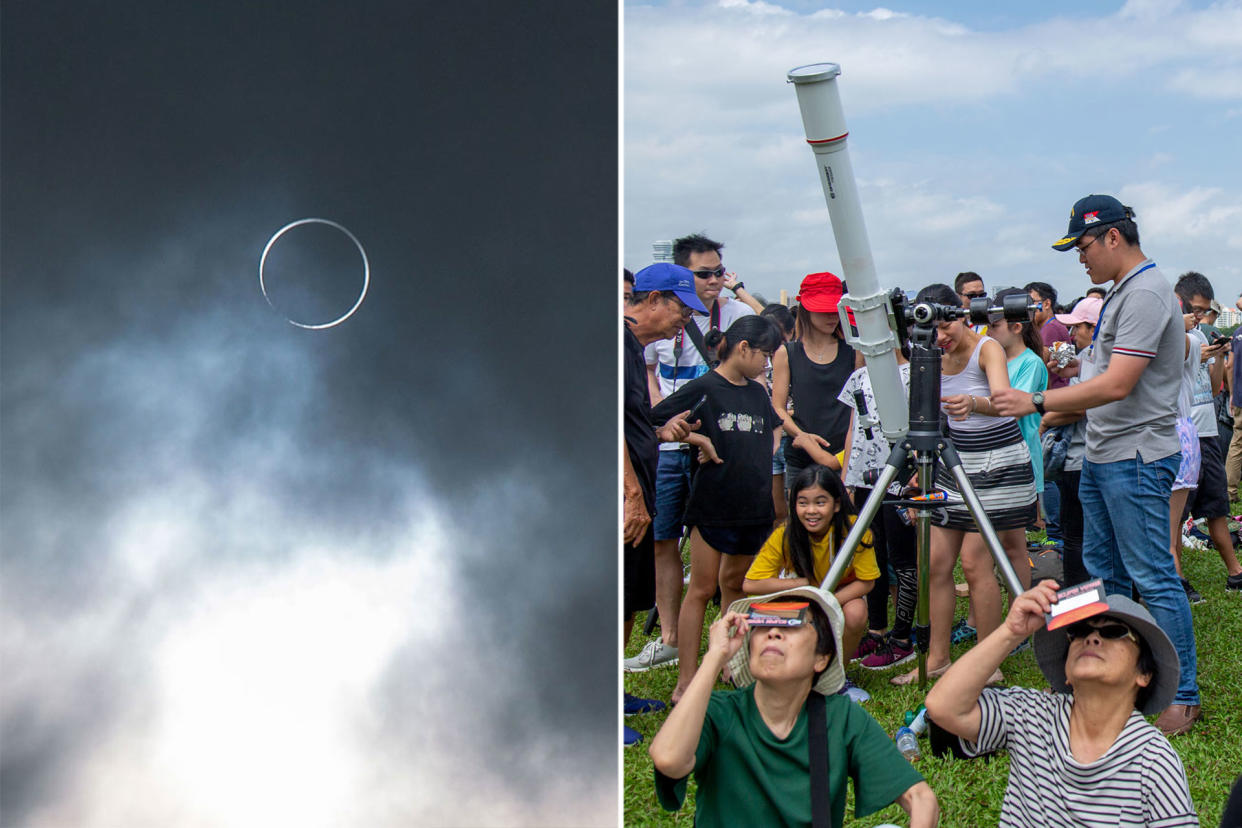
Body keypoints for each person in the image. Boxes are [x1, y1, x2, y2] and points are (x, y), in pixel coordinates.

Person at [992, 194, 1201, 735]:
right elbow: (1098, 377)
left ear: (1112, 236)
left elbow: (1117, 384)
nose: (1079, 259)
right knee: (1106, 576)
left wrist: (1037, 402)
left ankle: (1182, 695)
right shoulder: (1121, 294)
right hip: (1105, 454)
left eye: (1082, 246)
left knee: (1153, 576)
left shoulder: (1149, 292)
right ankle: (1113, 675)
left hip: (1135, 456)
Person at [649, 586, 938, 828]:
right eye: (763, 623)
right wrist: (714, 657)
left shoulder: (840, 717)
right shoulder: (718, 711)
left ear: (821, 659)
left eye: (793, 622)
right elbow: (668, 759)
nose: (774, 632)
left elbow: (921, 798)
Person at [925, 581, 1198, 827]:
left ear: (1144, 674)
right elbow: (942, 706)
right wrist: (1010, 632)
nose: (1092, 638)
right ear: (1066, 673)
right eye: (1079, 632)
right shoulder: (1031, 714)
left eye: (1114, 632)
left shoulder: (1153, 760)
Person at [891, 283, 1036, 687]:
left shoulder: (986, 348)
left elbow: (1005, 399)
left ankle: (987, 663)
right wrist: (924, 463)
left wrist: (975, 404)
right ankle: (937, 657)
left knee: (975, 565)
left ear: (959, 315)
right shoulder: (930, 353)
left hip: (995, 462)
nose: (939, 337)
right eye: (931, 330)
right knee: (935, 562)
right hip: (951, 463)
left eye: (945, 327)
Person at [629, 233, 756, 674]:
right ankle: (668, 638)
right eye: (705, 274)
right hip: (661, 449)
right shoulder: (640, 337)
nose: (716, 280)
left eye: (721, 272)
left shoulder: (735, 314)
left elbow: (767, 346)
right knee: (661, 536)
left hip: (714, 444)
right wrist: (650, 423)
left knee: (715, 542)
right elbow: (642, 382)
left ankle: (725, 645)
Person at [651, 315, 785, 704]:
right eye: (765, 355)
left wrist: (771, 448)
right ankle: (687, 680)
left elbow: (774, 425)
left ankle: (728, 660)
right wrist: (698, 440)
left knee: (735, 587)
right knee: (702, 587)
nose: (767, 365)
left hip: (753, 504)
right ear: (743, 348)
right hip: (713, 504)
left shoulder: (758, 392)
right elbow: (653, 423)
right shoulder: (705, 388)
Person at [622, 262, 705, 745]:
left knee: (632, 594)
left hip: (641, 479)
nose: (684, 321)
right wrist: (631, 492)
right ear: (653, 300)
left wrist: (657, 431)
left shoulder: (636, 350)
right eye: (680, 308)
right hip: (623, 492)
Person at [742, 465, 879, 668]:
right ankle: (794, 669)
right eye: (803, 503)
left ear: (837, 504)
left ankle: (838, 672)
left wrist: (825, 603)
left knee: (856, 612)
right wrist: (802, 585)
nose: (811, 511)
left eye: (820, 502)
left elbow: (867, 581)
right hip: (799, 595)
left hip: (835, 595)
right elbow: (751, 584)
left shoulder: (855, 531)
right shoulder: (786, 533)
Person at [836, 342, 920, 670]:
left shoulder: (915, 375)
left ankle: (902, 637)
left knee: (902, 557)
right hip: (863, 480)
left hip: (901, 478)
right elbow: (853, 429)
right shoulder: (858, 377)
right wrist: (846, 478)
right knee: (871, 554)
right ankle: (876, 629)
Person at [1172, 272, 1242, 595]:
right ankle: (1177, 579)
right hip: (1180, 432)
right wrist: (1201, 352)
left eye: (1204, 311)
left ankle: (1236, 573)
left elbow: (1214, 387)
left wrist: (1216, 357)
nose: (1199, 316)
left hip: (1206, 433)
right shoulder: (1172, 336)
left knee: (1216, 506)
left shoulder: (1201, 334)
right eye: (1195, 309)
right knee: (1175, 516)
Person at [770, 272, 858, 487]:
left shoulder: (854, 350)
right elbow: (778, 408)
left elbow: (860, 404)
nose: (832, 316)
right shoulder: (786, 352)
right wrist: (804, 438)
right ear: (806, 309)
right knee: (801, 517)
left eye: (834, 310)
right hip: (800, 454)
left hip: (845, 454)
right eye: (823, 310)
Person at [1039, 297, 1104, 587]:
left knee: (1075, 534)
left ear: (1095, 327)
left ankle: (1079, 595)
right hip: (1085, 457)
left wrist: (1045, 418)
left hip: (1081, 457)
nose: (1072, 334)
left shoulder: (1097, 359)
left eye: (1077, 327)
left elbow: (1080, 407)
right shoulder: (1090, 357)